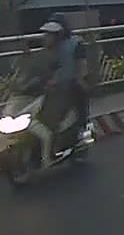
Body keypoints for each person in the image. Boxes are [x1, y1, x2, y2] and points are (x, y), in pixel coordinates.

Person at [30, 17, 88, 167]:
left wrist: (79, 79)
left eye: (51, 34)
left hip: (70, 86)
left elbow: (80, 66)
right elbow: (40, 69)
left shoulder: (75, 44)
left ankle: (79, 135)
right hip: (52, 89)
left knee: (76, 111)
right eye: (47, 34)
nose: (47, 37)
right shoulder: (48, 50)